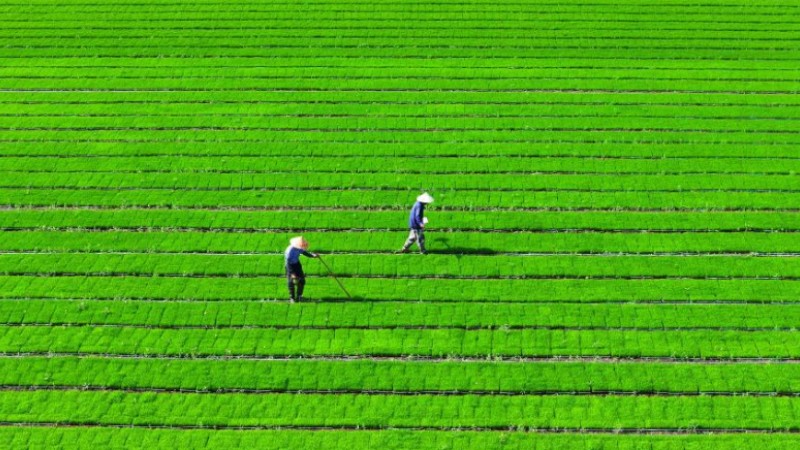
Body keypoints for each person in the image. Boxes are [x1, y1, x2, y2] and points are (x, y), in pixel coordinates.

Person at [284, 236, 318, 302]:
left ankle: (299, 296)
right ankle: (292, 298)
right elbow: (288, 263)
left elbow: (304, 252)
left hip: (297, 264)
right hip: (290, 266)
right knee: (291, 282)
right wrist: (292, 273)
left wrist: (313, 256)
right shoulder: (289, 251)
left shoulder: (299, 247)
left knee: (302, 280)